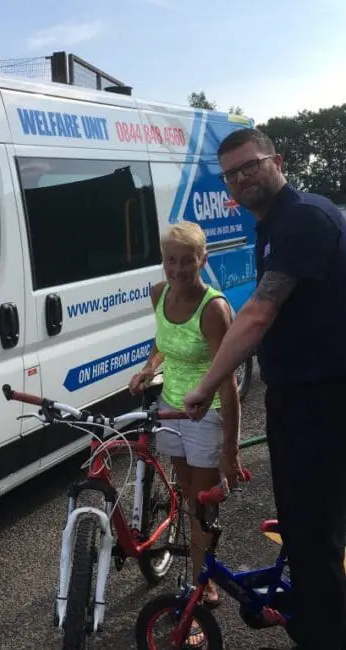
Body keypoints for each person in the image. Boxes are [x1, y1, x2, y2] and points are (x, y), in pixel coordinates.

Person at [182, 128, 346, 650]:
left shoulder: (304, 217)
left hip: (326, 403)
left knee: (315, 541)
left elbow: (258, 314)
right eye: (233, 174)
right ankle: (314, 621)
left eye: (251, 165)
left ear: (277, 161)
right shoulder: (272, 226)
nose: (243, 178)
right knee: (301, 529)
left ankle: (323, 637)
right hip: (296, 401)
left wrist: (205, 386)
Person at [128, 220, 243, 613]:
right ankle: (197, 560)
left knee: (200, 501)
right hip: (170, 408)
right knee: (185, 490)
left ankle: (201, 585)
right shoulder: (159, 293)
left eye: (186, 262)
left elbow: (227, 382)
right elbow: (162, 343)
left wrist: (231, 448)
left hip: (206, 412)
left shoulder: (214, 309)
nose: (176, 270)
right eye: (169, 260)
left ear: (202, 259)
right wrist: (149, 367)